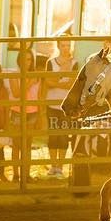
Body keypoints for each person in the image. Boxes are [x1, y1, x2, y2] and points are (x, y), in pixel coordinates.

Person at [45, 38, 78, 178]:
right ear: (58, 46)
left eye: (68, 45)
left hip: (66, 105)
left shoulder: (75, 63)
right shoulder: (51, 62)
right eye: (63, 45)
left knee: (64, 136)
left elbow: (72, 84)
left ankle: (60, 167)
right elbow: (48, 82)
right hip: (52, 104)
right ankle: (53, 167)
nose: (66, 48)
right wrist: (63, 69)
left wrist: (57, 81)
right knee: (53, 135)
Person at [8, 48, 43, 182]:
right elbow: (17, 94)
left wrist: (40, 114)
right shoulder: (14, 75)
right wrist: (29, 82)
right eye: (24, 59)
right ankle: (16, 175)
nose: (26, 62)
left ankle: (26, 175)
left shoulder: (36, 76)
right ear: (19, 60)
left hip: (32, 112)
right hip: (17, 112)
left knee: (27, 145)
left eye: (29, 59)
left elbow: (39, 96)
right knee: (16, 145)